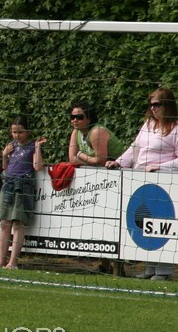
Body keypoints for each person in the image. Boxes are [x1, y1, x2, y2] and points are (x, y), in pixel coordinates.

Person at [106, 88, 178, 280]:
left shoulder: (175, 128)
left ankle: (163, 270)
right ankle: (149, 267)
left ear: (168, 105)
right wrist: (118, 162)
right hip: (141, 180)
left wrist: (160, 167)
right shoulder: (148, 125)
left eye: (157, 104)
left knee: (160, 224)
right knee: (144, 222)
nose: (153, 108)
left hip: (164, 184)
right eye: (151, 105)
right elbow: (134, 148)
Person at [0, 115, 46, 269]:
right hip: (8, 185)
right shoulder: (11, 145)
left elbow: (38, 167)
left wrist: (37, 147)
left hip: (23, 186)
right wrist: (4, 155)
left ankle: (13, 262)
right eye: (14, 132)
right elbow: (5, 167)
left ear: (28, 131)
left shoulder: (32, 146)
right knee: (4, 223)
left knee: (18, 224)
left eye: (20, 132)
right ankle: (1, 261)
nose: (17, 135)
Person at [67, 101, 122, 167]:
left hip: (118, 168)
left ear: (89, 119)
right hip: (98, 169)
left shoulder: (97, 132)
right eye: (72, 117)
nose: (75, 120)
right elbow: (72, 159)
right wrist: (92, 162)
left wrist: (80, 155)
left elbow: (100, 162)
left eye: (79, 117)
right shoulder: (76, 132)